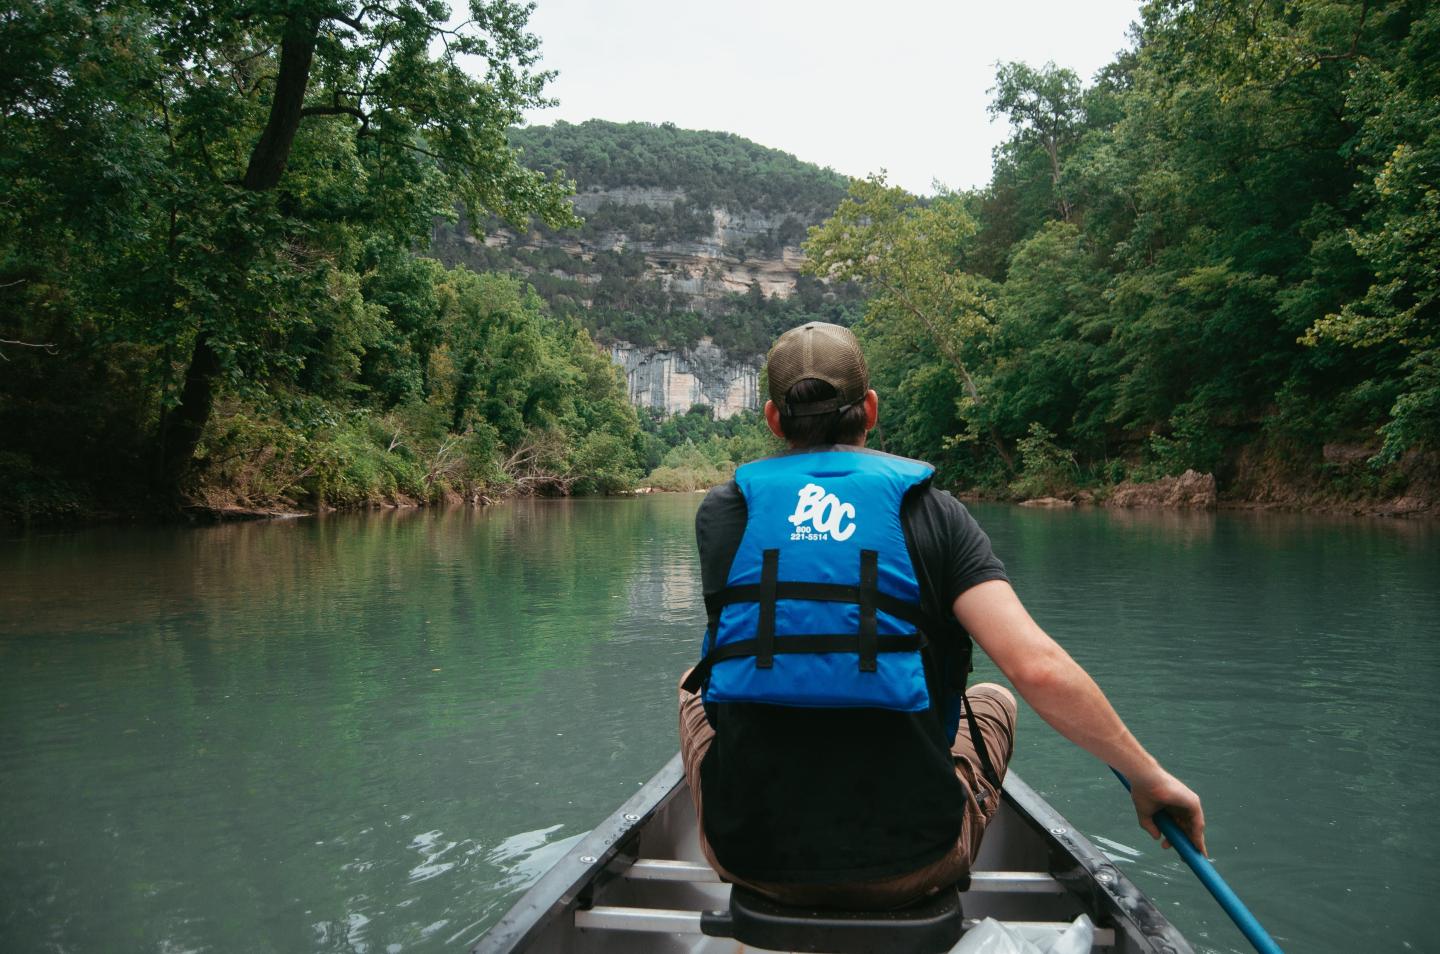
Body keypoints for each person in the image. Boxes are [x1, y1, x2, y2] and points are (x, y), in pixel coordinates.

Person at [678, 321, 1206, 909]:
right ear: (870, 410)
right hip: (916, 861)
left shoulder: (724, 515)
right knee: (996, 699)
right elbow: (1036, 668)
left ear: (774, 419)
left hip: (751, 859)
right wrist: (1146, 775)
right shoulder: (935, 514)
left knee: (691, 689)